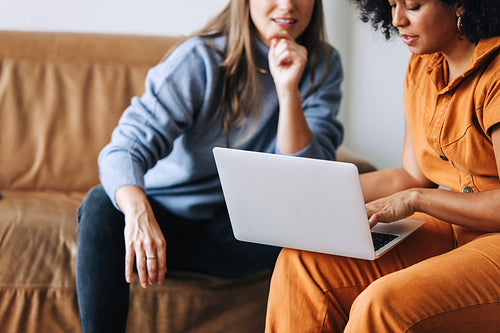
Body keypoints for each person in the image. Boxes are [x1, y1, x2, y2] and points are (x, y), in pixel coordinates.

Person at [76, 0, 343, 332]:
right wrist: (138, 213)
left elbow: (308, 180)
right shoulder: (200, 59)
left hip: (236, 233)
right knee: (101, 203)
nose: (287, 5)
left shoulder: (323, 65)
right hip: (164, 224)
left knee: (322, 220)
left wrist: (288, 90)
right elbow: (123, 150)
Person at [265, 0, 500, 332]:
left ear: (461, 4)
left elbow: (418, 190)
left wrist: (419, 199)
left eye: (414, 6)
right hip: (454, 228)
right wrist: (316, 193)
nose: (397, 19)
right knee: (302, 262)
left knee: (383, 304)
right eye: (392, 5)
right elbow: (412, 175)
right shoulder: (422, 66)